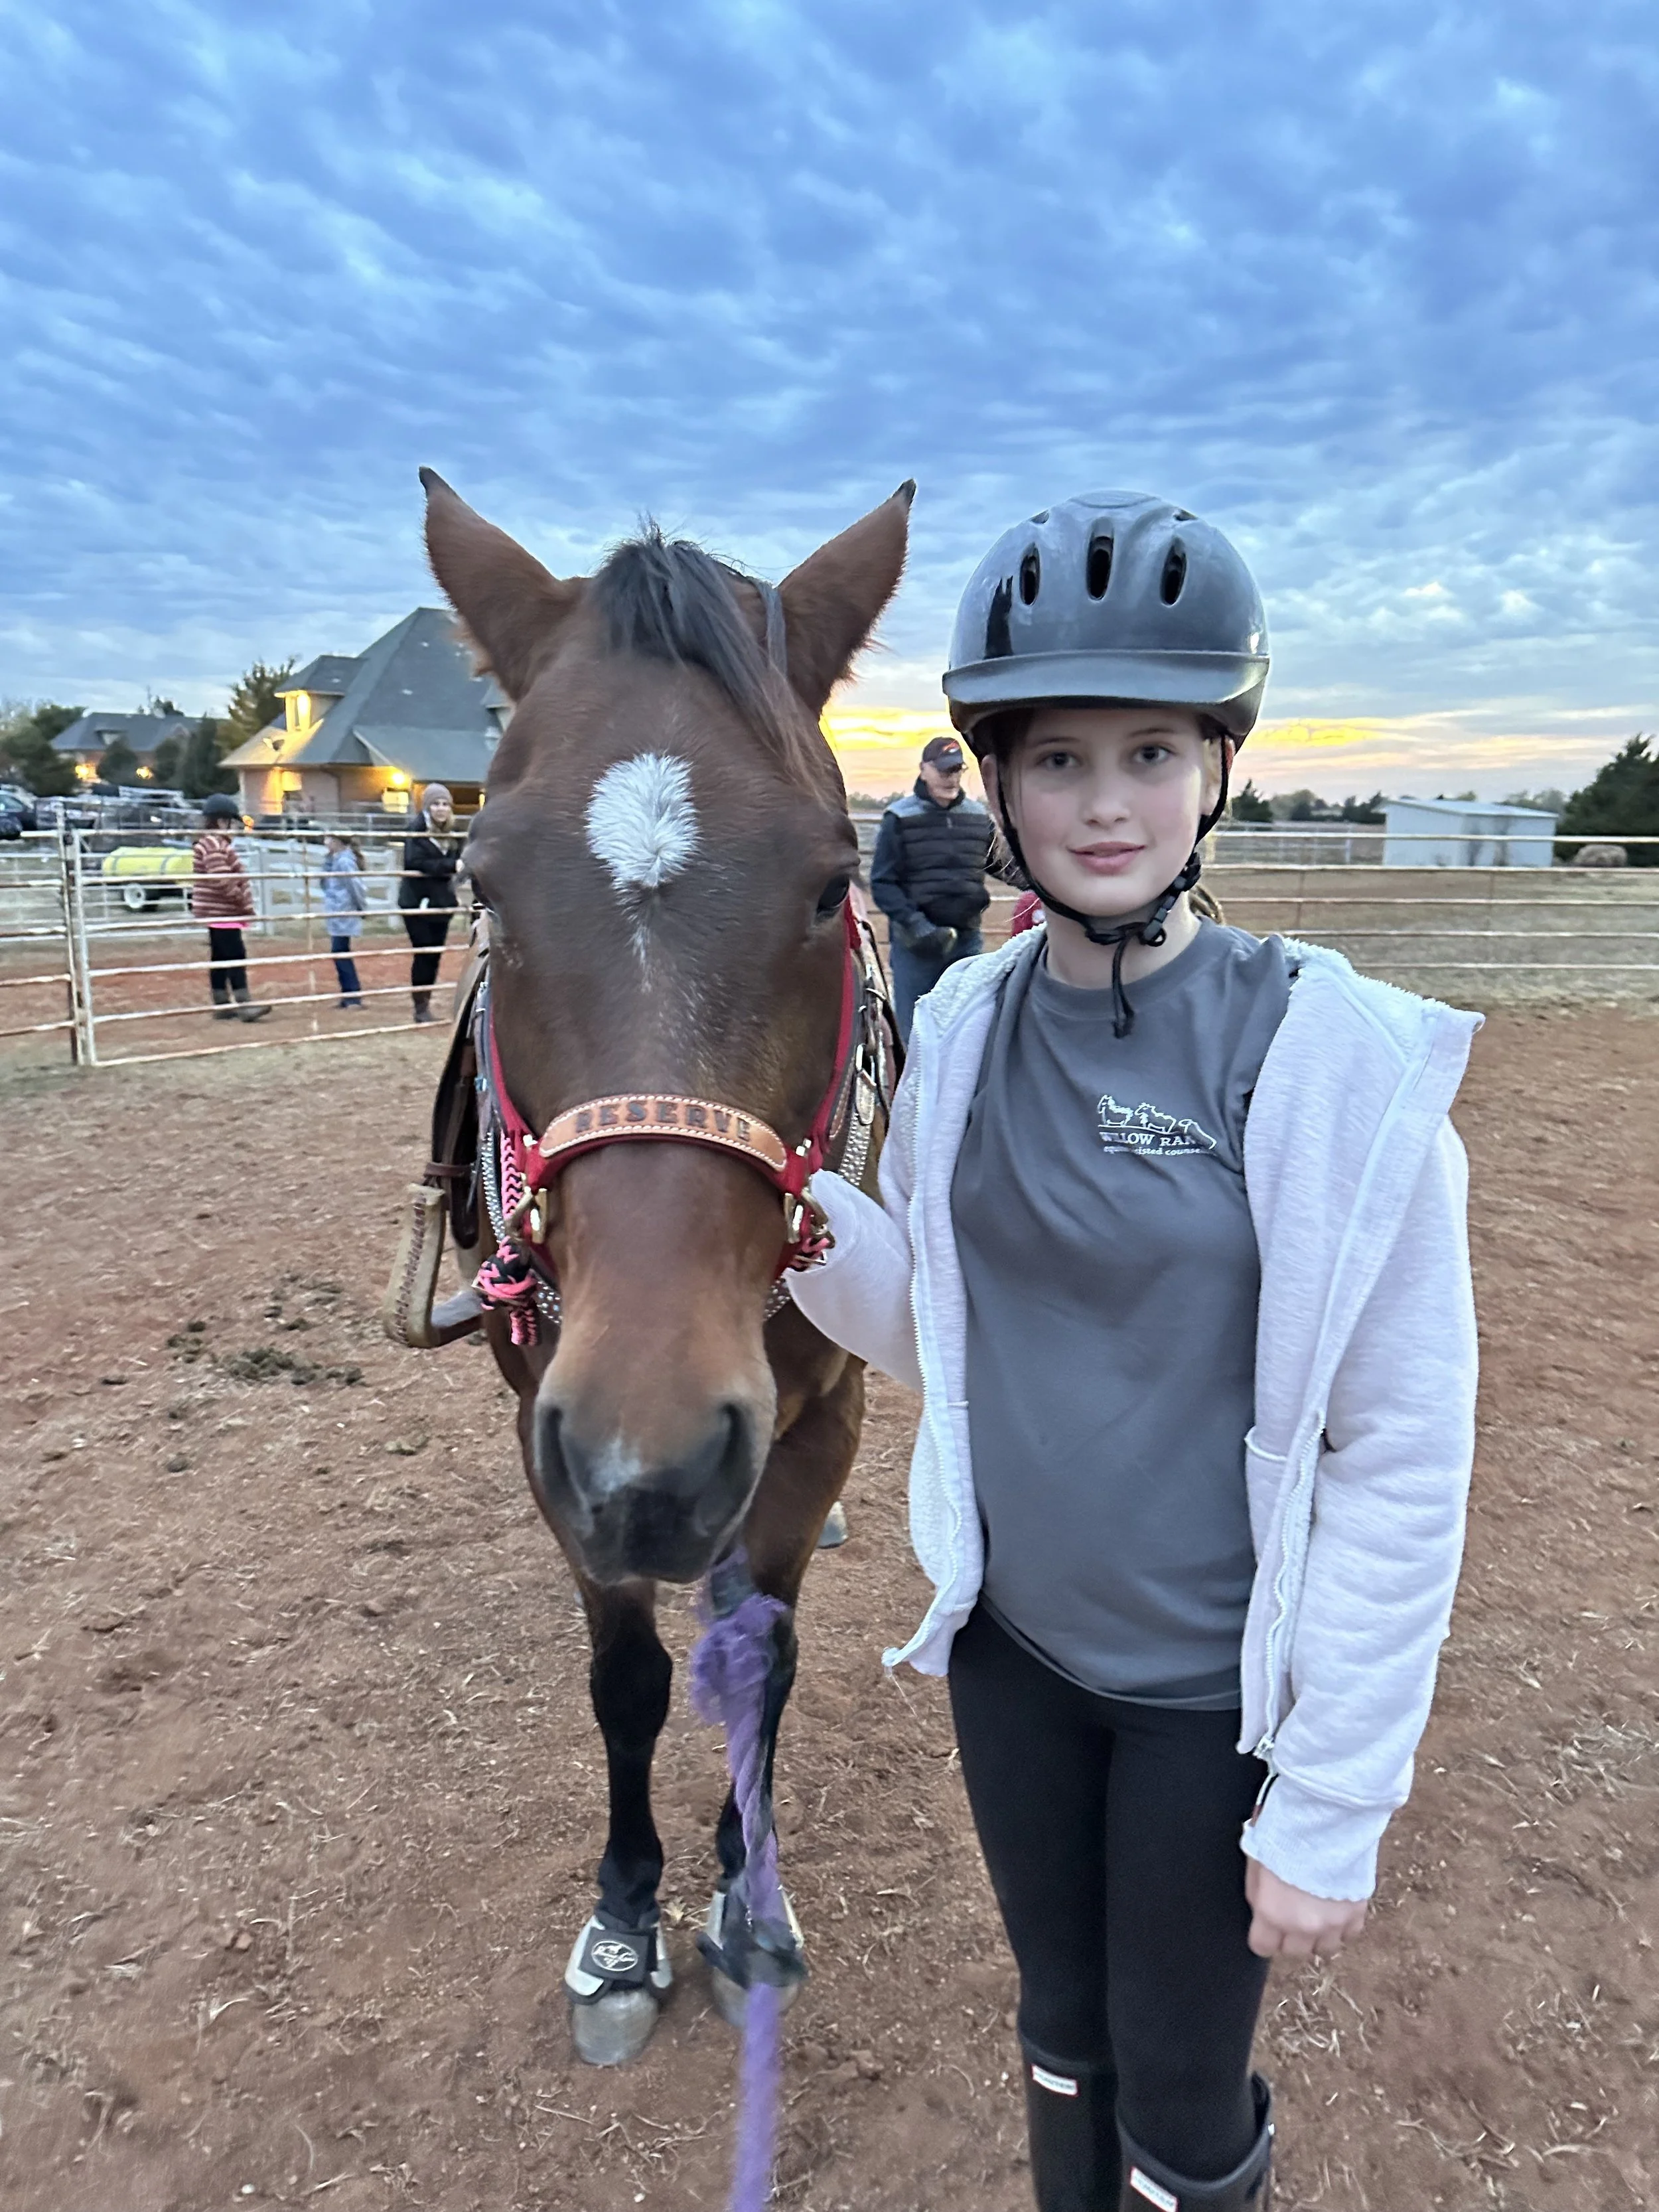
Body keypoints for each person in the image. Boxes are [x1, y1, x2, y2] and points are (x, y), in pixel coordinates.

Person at [789, 492, 1479, 2210]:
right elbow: (940, 1331)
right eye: (1057, 758)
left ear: (1216, 768)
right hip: (1015, 1652)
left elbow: (1398, 1449)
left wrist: (1330, 1800)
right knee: (1060, 2026)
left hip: (1200, 1698)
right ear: (994, 784)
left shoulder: (1328, 1056)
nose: (1105, 802)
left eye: (1151, 750)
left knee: (1178, 2094)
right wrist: (795, 1216)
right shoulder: (957, 1030)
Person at [869, 734, 993, 1042]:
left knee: (968, 1032)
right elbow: (883, 882)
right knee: (916, 1037)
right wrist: (916, 925)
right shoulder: (900, 818)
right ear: (923, 769)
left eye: (956, 770)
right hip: (918, 946)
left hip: (966, 941)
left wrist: (1040, 886)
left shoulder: (978, 818)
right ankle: (915, 1091)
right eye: (943, 770)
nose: (950, 778)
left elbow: (1001, 865)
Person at [190, 794, 271, 1022]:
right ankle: (244, 1002)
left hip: (217, 910)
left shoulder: (209, 842)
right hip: (223, 909)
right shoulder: (214, 844)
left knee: (220, 955)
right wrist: (241, 900)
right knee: (235, 954)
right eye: (230, 822)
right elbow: (221, 877)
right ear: (222, 821)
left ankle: (222, 1002)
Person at [397, 782, 461, 1024]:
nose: (441, 809)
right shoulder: (416, 831)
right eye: (435, 804)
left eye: (445, 804)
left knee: (434, 955)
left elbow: (459, 860)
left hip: (441, 903)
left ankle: (425, 1003)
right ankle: (420, 1006)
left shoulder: (454, 834)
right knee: (423, 953)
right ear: (427, 807)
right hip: (417, 903)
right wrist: (450, 867)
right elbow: (415, 862)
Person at [320, 832, 368, 1009]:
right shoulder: (336, 859)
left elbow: (355, 886)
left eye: (328, 839)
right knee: (340, 952)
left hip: (343, 911)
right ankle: (349, 994)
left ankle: (353, 995)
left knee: (340, 952)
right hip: (337, 911)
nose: (325, 842)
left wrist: (361, 907)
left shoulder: (345, 861)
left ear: (337, 841)